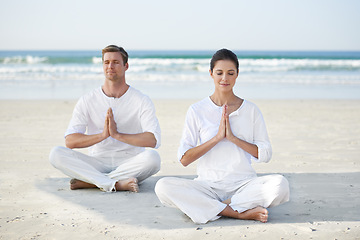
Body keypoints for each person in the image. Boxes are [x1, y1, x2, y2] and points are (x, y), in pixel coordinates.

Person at [155, 49, 289, 224]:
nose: (224, 78)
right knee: (163, 187)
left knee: (280, 184)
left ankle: (214, 208)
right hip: (207, 186)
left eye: (230, 73)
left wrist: (233, 138)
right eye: (219, 73)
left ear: (237, 75)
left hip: (243, 185)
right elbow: (184, 159)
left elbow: (265, 154)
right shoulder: (197, 110)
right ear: (211, 74)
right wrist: (217, 138)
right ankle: (237, 212)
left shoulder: (251, 110)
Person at [49, 45, 161, 193]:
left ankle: (94, 182)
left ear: (125, 66)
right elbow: (70, 141)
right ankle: (115, 183)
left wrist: (117, 135)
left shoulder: (141, 100)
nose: (110, 66)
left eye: (115, 62)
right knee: (56, 154)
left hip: (131, 162)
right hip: (97, 161)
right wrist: (103, 135)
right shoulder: (88, 99)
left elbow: (152, 140)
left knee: (153, 158)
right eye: (106, 62)